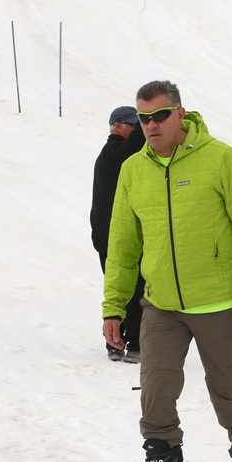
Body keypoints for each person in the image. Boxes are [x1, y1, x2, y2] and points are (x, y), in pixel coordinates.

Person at [102, 80, 232, 462]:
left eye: (159, 116)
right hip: (161, 305)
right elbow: (122, 246)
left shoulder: (218, 158)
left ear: (180, 114)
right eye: (143, 118)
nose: (150, 126)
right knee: (155, 398)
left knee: (231, 400)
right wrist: (113, 308)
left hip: (220, 304)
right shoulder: (134, 171)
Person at [90, 105, 146, 362]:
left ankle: (118, 342)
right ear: (118, 127)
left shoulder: (114, 155)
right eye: (136, 124)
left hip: (112, 237)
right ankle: (132, 344)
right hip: (114, 238)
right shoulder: (113, 152)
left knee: (126, 291)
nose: (142, 129)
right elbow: (131, 149)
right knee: (132, 292)